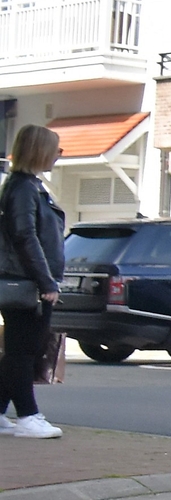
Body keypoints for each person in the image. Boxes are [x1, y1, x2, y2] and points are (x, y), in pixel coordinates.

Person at [1, 124, 68, 439]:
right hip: (26, 283)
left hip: (29, 280)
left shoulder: (26, 186)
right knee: (24, 350)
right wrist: (46, 281)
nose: (59, 154)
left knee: (22, 348)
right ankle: (28, 415)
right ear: (39, 151)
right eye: (56, 148)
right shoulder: (25, 189)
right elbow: (25, 236)